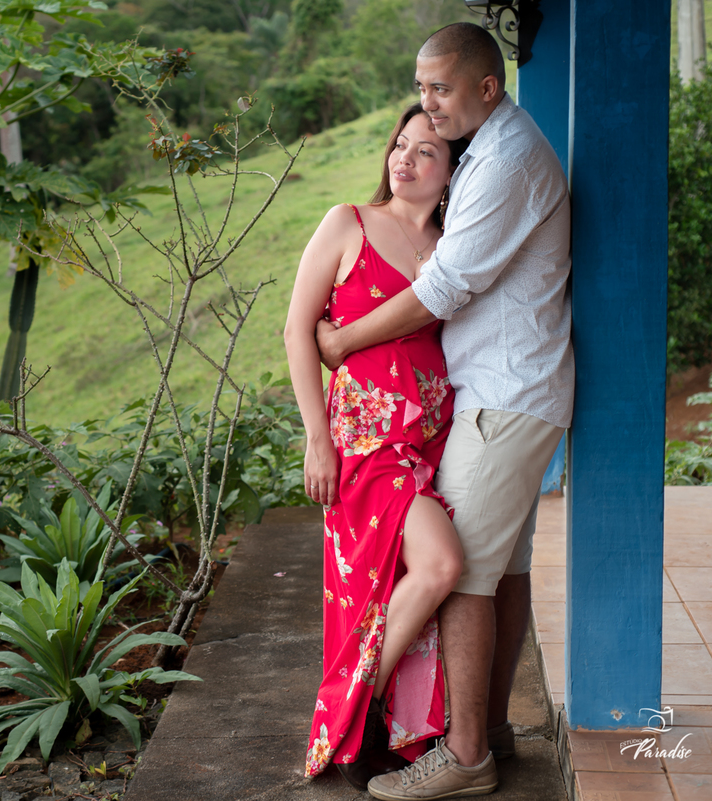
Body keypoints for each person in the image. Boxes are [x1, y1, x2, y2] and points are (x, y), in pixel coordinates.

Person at [315, 23, 573, 801]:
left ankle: (464, 757)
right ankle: (487, 724)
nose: (425, 104)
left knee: (460, 574)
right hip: (516, 393)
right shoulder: (493, 153)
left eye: (440, 90)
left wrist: (343, 340)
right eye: (421, 89)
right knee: (506, 570)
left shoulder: (504, 162)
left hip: (501, 398)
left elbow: (444, 290)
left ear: (487, 89)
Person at [285, 103, 469, 791]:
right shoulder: (348, 224)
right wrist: (316, 440)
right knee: (441, 563)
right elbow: (297, 332)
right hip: (363, 445)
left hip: (431, 444)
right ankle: (355, 713)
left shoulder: (454, 248)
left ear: (450, 174)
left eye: (426, 151)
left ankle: (375, 724)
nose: (404, 158)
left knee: (399, 589)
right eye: (401, 144)